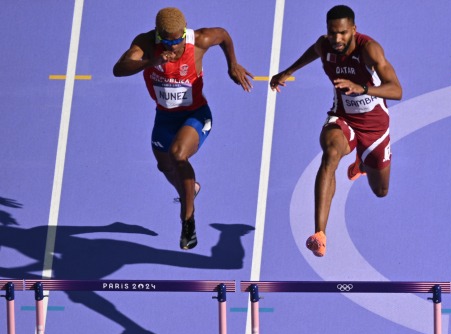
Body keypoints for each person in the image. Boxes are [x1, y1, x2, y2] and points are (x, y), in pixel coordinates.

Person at [113, 7, 253, 250]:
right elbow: (119, 69)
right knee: (164, 165)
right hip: (164, 117)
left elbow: (224, 35)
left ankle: (187, 222)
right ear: (159, 37)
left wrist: (233, 64)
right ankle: (191, 189)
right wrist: (150, 61)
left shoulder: (199, 40)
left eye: (178, 41)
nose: (174, 48)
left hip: (196, 115)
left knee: (178, 155)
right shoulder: (145, 44)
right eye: (168, 43)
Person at [269, 5, 403, 258]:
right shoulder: (325, 46)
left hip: (375, 128)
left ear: (353, 29)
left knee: (381, 191)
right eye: (332, 33)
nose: (337, 39)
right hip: (343, 119)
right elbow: (314, 51)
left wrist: (361, 88)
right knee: (330, 155)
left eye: (342, 33)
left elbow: (396, 90)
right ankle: (319, 234)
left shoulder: (369, 50)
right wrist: (287, 72)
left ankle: (361, 162)